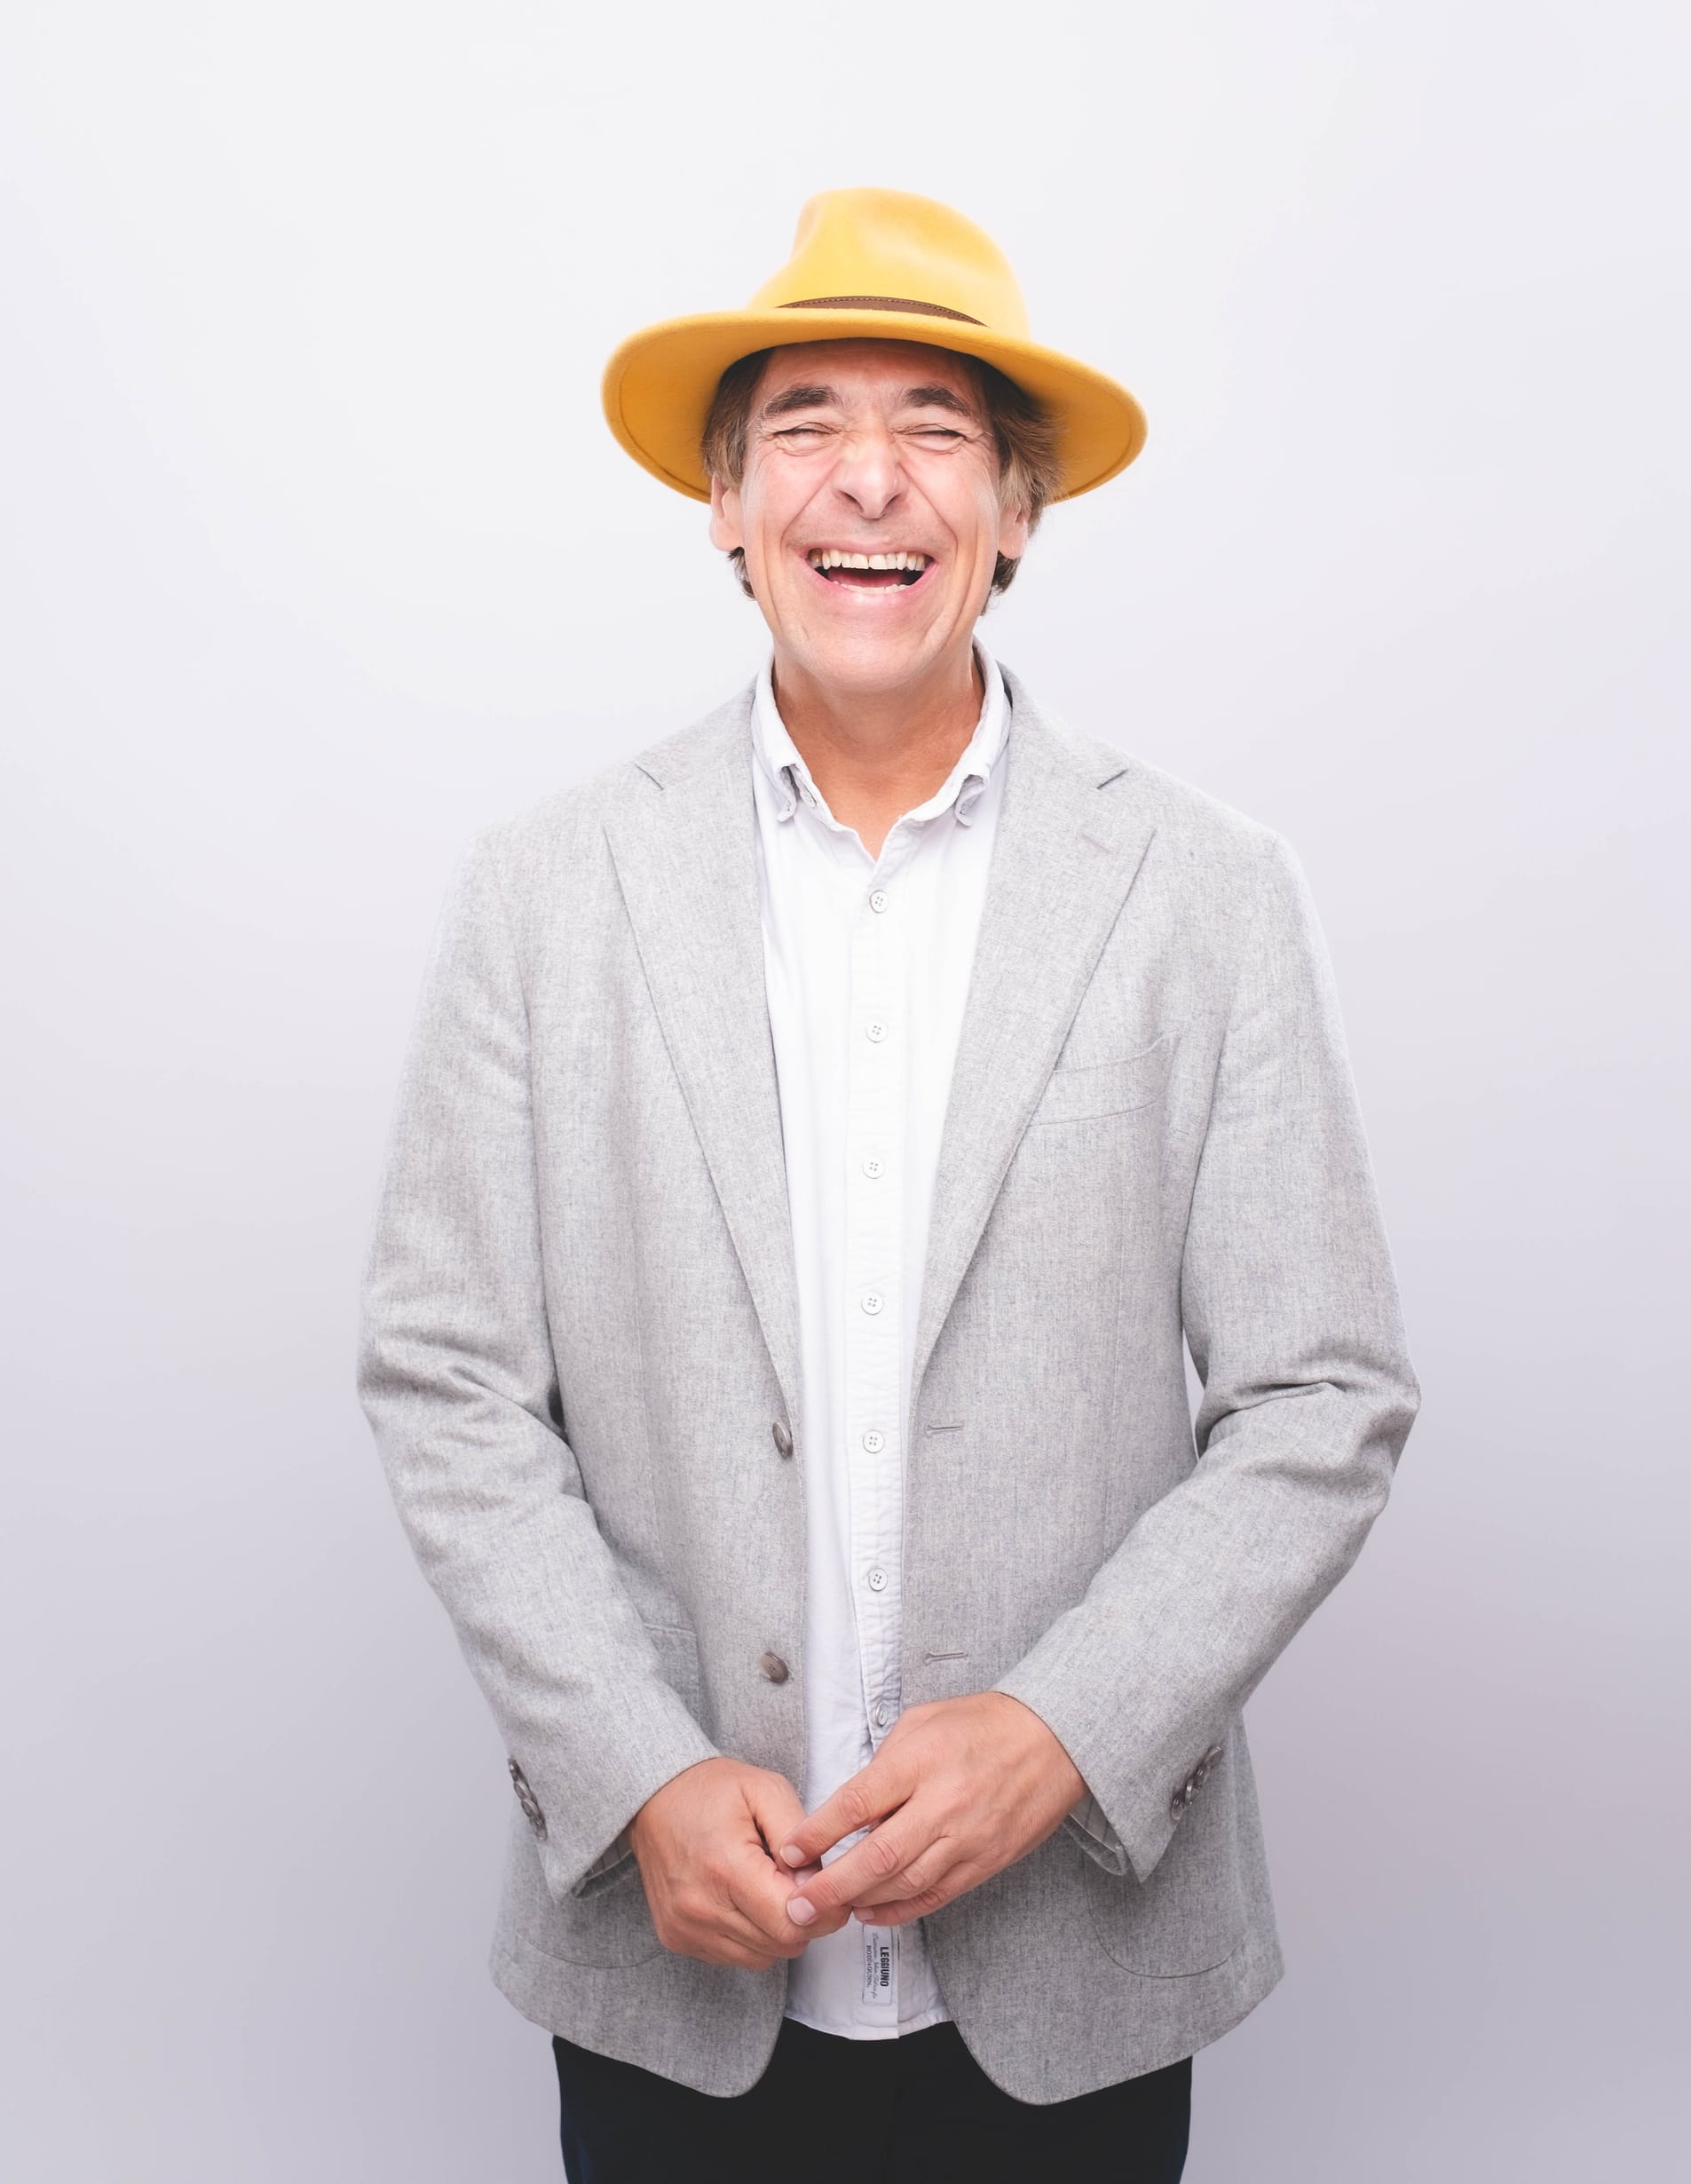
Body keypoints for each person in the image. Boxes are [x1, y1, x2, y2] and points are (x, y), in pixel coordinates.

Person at [359, 187, 1419, 2182]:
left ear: (1017, 513)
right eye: (805, 427)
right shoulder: (542, 893)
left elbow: (1322, 1394)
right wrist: (636, 1772)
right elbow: (447, 1377)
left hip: (1074, 1979)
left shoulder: (1207, 895)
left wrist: (1066, 1729)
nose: (869, 481)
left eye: (937, 429)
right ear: (724, 502)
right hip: (674, 1979)